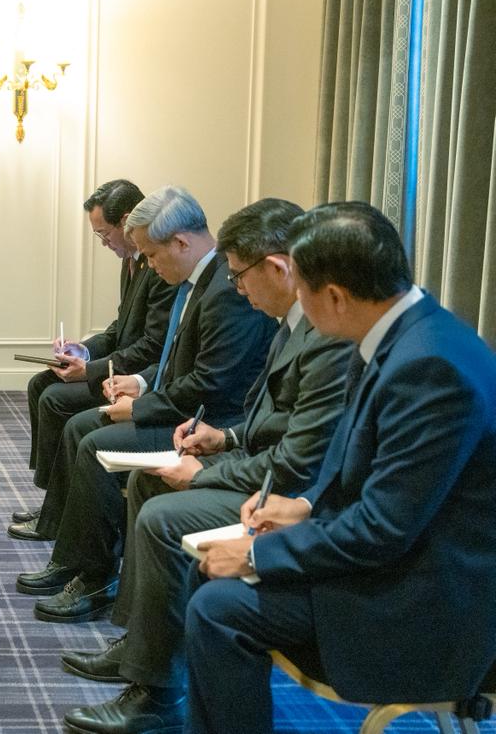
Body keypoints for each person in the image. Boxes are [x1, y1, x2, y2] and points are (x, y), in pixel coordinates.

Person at [184, 202, 496, 734]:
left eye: (301, 287)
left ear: (333, 296)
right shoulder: (402, 334)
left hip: (427, 602)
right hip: (403, 558)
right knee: (209, 575)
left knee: (219, 607)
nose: (298, 303)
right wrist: (305, 508)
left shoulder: (430, 366)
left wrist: (258, 554)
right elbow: (373, 477)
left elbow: (383, 528)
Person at [57, 198, 352, 734]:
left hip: (293, 494)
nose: (237, 288)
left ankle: (157, 694)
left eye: (240, 276)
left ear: (278, 268)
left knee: (161, 514)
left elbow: (299, 458)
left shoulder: (326, 336)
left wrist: (208, 471)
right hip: (254, 454)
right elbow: (276, 422)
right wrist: (225, 439)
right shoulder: (296, 323)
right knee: (148, 484)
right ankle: (143, 649)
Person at [13, 186, 275, 626]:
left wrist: (141, 407)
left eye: (152, 255)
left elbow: (210, 384)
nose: (149, 265)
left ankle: (94, 576)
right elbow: (173, 360)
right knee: (85, 430)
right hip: (185, 409)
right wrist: (139, 384)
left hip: (208, 422)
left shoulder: (225, 291)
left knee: (93, 441)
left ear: (181, 243)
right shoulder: (198, 281)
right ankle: (77, 560)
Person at [14, 179, 175, 528]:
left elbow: (152, 345)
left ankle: (57, 511)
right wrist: (83, 350)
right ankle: (54, 499)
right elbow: (121, 328)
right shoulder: (131, 261)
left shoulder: (159, 268)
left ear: (126, 221)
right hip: (122, 364)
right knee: (40, 384)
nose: (103, 243)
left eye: (104, 234)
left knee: (55, 399)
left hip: (140, 376)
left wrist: (90, 370)